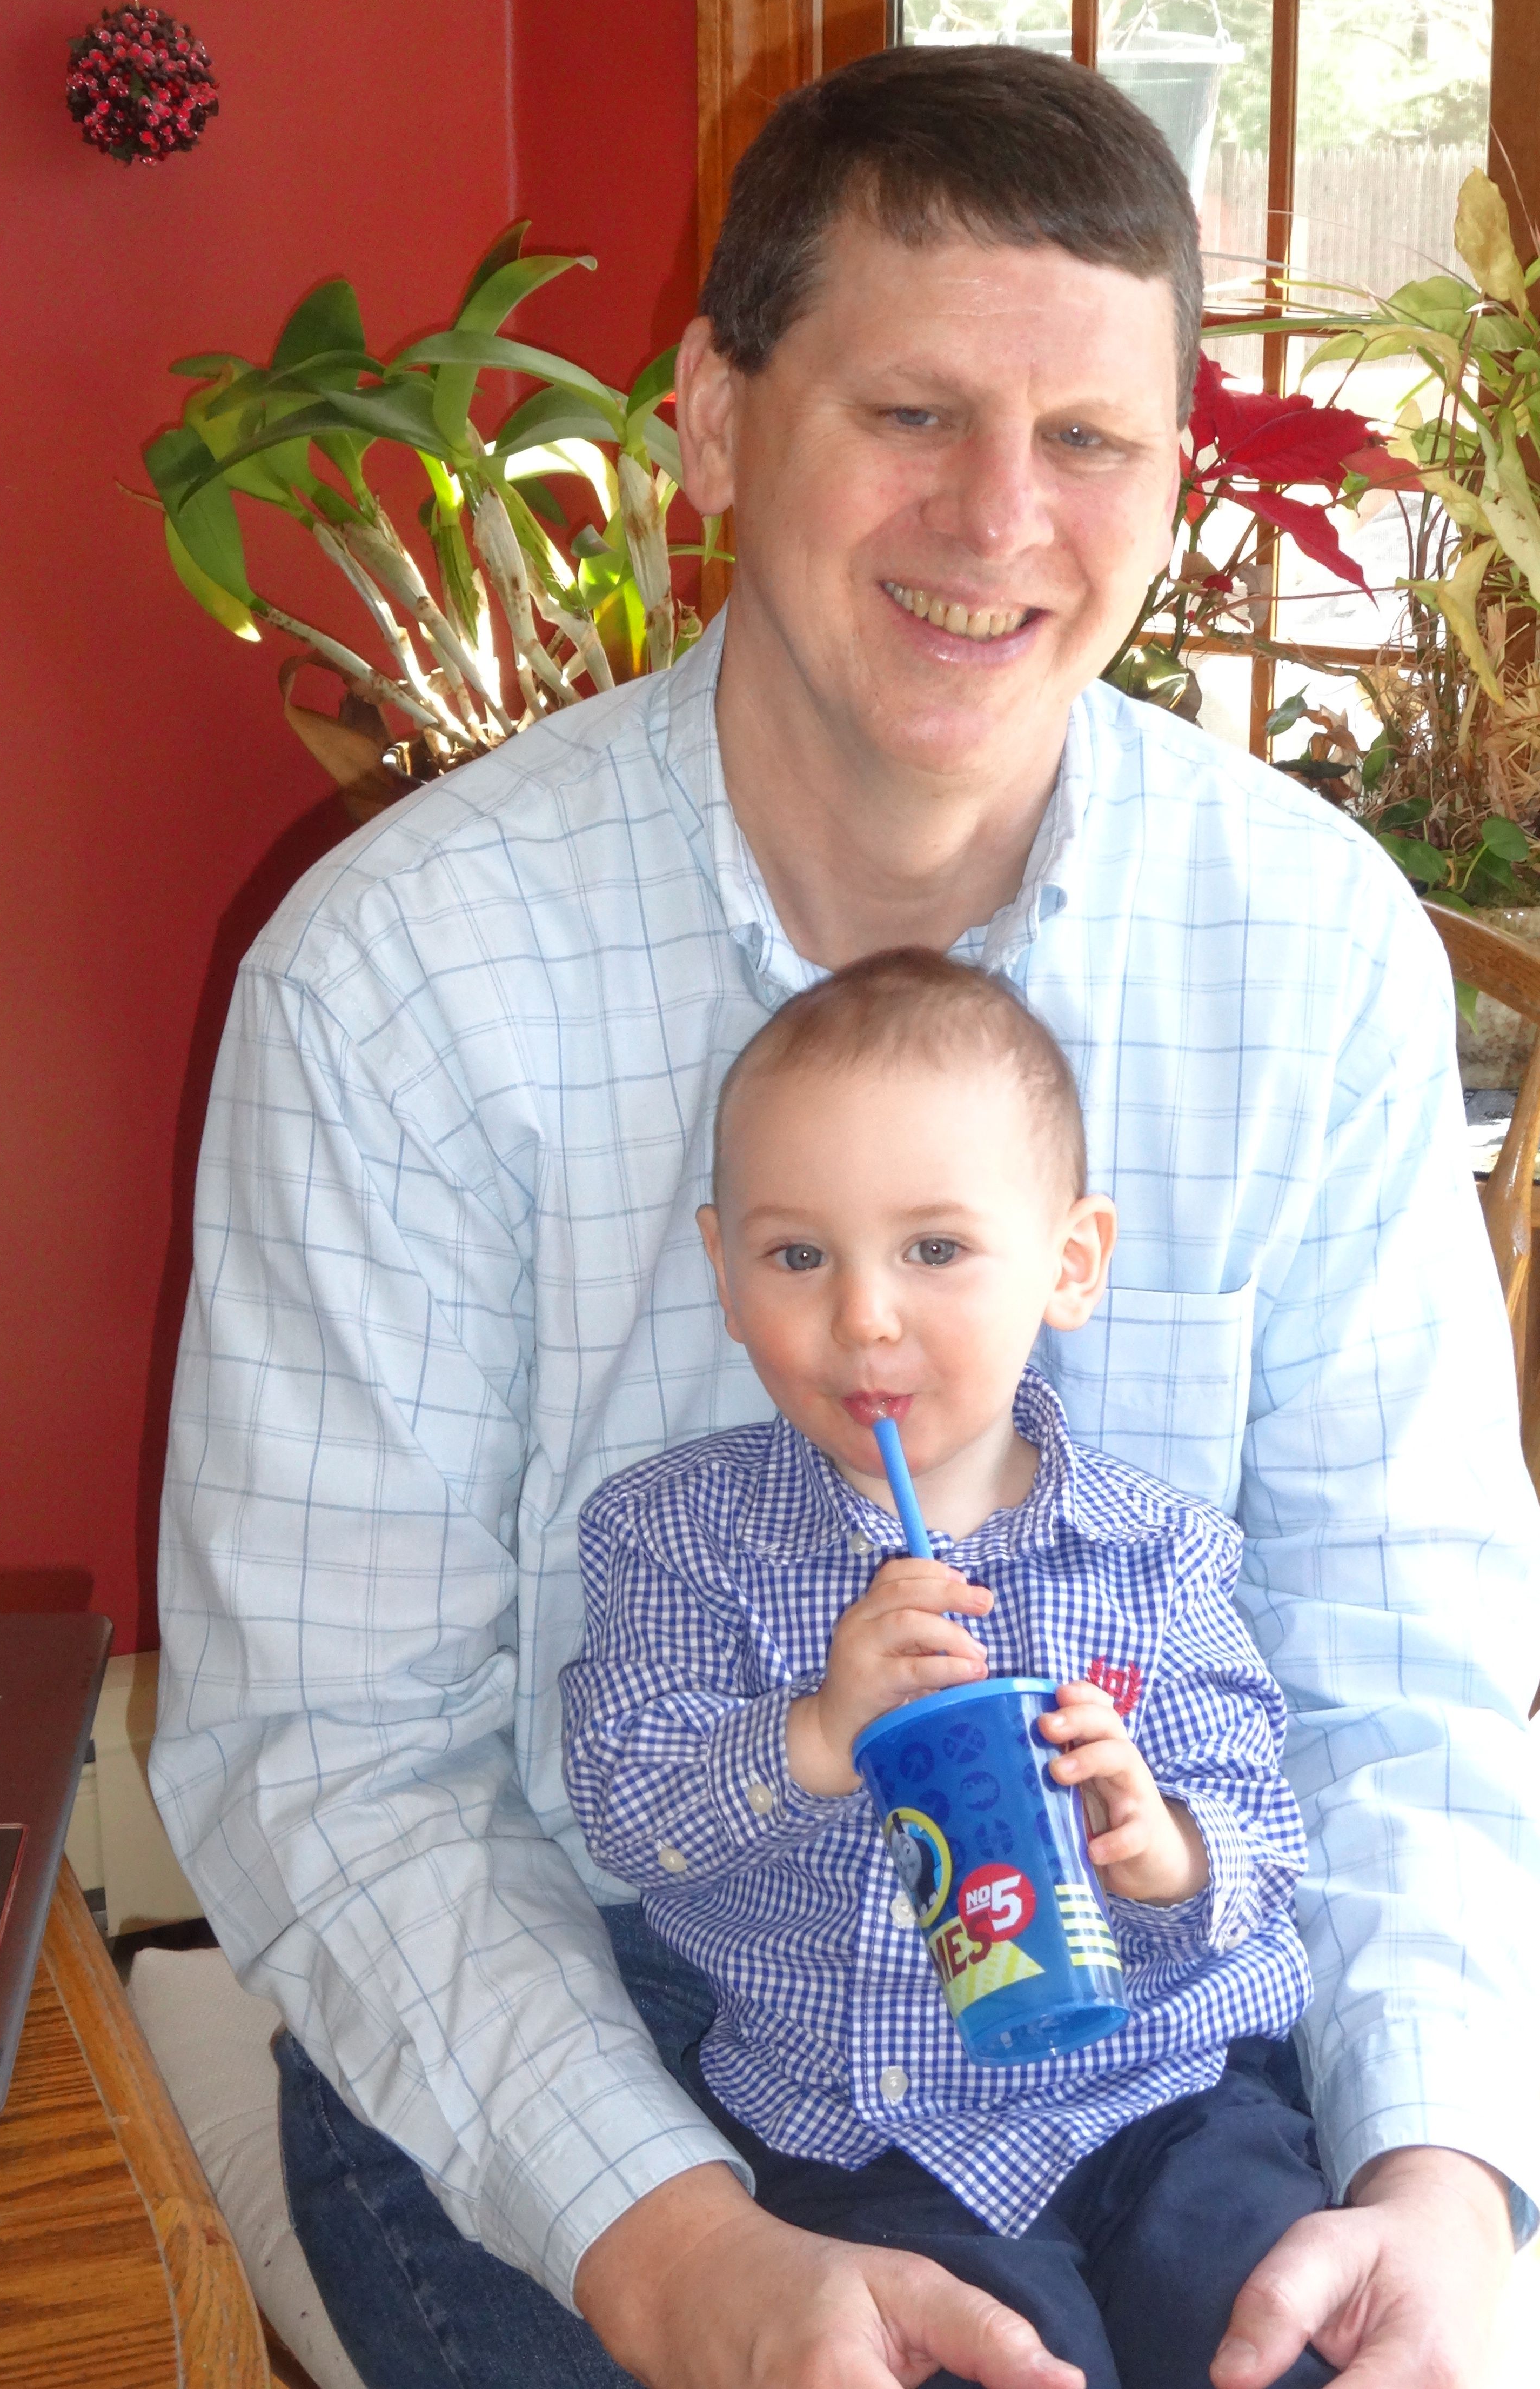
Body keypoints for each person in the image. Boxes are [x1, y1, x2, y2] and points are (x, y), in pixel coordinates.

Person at [151, 42, 1540, 2389]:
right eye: (911, 412)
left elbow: (1395, 1656)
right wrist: (680, 2253)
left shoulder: (1308, 943)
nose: (1001, 518)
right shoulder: (402, 980)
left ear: (1174, 478)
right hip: (604, 1989)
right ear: (716, 423)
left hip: (1147, 2023)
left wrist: (1432, 2170)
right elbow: (340, 1752)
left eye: (1089, 438)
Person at [561, 947, 1334, 2389]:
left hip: (1167, 2100)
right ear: (723, 1272)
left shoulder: (1160, 1552)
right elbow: (623, 1810)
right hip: (863, 2130)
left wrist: (1161, 1848)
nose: (864, 1317)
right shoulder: (676, 1537)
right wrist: (815, 1733)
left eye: (934, 1250)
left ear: (1071, 1264)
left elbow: (1267, 1834)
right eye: (799, 1256)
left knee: (1268, 2341)